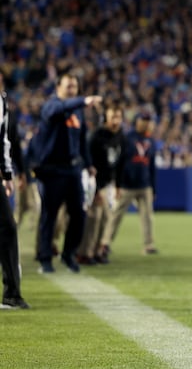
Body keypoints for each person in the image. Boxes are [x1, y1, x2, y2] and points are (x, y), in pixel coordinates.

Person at [33, 73, 102, 273]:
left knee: (79, 215)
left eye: (75, 87)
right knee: (50, 216)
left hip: (73, 169)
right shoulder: (52, 105)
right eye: (69, 86)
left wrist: (88, 164)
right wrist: (83, 100)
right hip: (52, 170)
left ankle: (68, 254)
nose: (72, 90)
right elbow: (56, 111)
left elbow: (81, 141)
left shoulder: (78, 112)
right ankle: (45, 258)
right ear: (58, 87)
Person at [100, 112, 158, 258]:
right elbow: (119, 162)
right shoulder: (127, 138)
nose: (146, 123)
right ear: (136, 121)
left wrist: (153, 187)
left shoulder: (150, 140)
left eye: (148, 120)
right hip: (127, 184)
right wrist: (118, 183)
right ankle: (105, 243)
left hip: (144, 184)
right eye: (143, 120)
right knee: (116, 215)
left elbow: (151, 166)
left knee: (147, 216)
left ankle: (148, 244)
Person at [77, 103, 124, 265]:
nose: (116, 121)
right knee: (93, 219)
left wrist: (117, 185)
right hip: (94, 183)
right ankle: (83, 253)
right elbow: (89, 164)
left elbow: (118, 163)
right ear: (105, 118)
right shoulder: (97, 136)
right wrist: (93, 190)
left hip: (108, 184)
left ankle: (97, 251)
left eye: (118, 117)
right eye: (113, 117)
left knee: (105, 219)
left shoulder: (119, 136)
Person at [0, 90, 29, 309]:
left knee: (8, 228)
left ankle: (12, 293)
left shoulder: (1, 100)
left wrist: (7, 173)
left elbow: (4, 140)